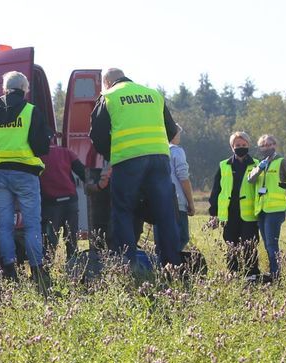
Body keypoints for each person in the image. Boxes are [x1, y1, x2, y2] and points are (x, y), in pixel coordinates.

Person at [89, 67, 182, 267]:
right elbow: (172, 129)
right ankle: (172, 265)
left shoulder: (109, 96)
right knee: (165, 212)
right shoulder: (153, 95)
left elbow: (97, 135)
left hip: (128, 160)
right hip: (159, 159)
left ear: (106, 83)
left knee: (123, 210)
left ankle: (127, 264)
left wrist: (111, 156)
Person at [0, 70, 50, 280]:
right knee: (31, 223)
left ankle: (9, 268)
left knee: (5, 223)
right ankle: (36, 269)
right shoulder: (30, 110)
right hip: (25, 173)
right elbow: (40, 146)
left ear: (4, 88)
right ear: (25, 89)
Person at [207, 131, 260, 277]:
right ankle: (233, 273)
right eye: (237, 145)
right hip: (229, 213)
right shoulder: (223, 165)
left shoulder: (257, 165)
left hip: (249, 214)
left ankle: (251, 275)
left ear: (248, 145)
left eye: (243, 145)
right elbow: (216, 190)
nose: (241, 147)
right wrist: (214, 213)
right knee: (231, 245)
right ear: (232, 147)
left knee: (250, 245)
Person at [248, 133, 286, 281]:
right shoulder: (260, 163)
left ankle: (276, 275)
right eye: (263, 146)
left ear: (275, 145)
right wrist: (259, 169)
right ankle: (273, 272)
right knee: (267, 243)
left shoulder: (281, 162)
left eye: (269, 145)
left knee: (271, 243)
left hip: (275, 209)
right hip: (261, 210)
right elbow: (250, 180)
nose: (266, 148)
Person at [39, 138, 86, 260]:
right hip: (70, 201)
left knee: (49, 242)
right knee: (71, 240)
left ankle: (47, 271)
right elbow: (83, 172)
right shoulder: (67, 152)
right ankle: (74, 268)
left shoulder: (37, 156)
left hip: (50, 204)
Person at [169, 126, 195, 249]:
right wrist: (190, 202)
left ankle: (159, 265)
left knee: (162, 239)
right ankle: (173, 264)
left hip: (158, 202)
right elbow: (183, 178)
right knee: (182, 237)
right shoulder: (176, 151)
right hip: (177, 202)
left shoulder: (156, 151)